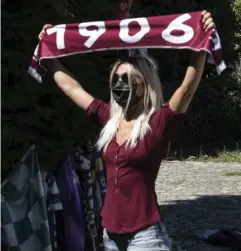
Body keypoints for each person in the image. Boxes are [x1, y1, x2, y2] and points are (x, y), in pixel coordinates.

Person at [38, 10, 215, 251]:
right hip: (110, 236)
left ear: (143, 83)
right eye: (114, 80)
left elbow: (187, 89)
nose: (118, 85)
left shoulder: (158, 123)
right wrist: (49, 54)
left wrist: (201, 43)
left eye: (125, 79)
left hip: (146, 236)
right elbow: (72, 88)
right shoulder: (109, 119)